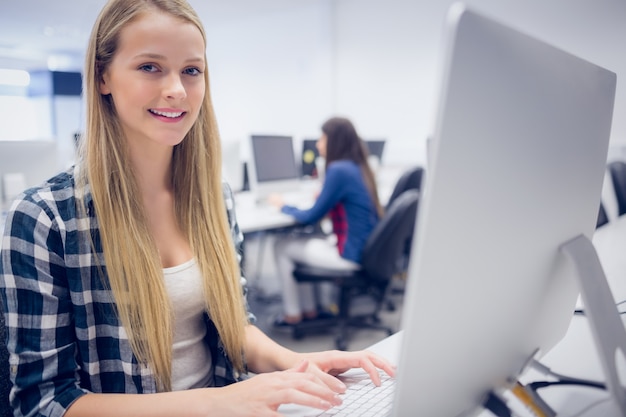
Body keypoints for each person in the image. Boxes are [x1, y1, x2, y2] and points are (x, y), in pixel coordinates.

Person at [0, 1, 395, 416]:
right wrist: (220, 401)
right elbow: (44, 402)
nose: (176, 89)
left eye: (191, 70)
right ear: (103, 76)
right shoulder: (44, 219)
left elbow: (234, 327)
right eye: (150, 67)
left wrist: (298, 362)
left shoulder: (213, 199)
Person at [269, 117, 384, 326]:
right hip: (365, 250)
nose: (318, 144)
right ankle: (311, 311)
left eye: (322, 138)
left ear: (335, 141)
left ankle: (293, 314)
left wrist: (282, 205)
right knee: (305, 241)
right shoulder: (357, 166)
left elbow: (311, 217)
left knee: (282, 246)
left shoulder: (338, 170)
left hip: (350, 255)